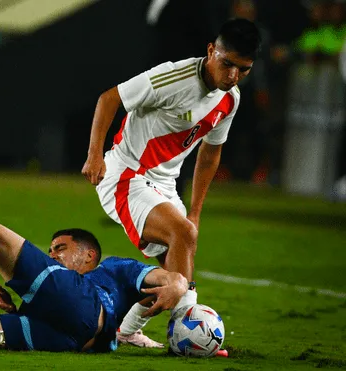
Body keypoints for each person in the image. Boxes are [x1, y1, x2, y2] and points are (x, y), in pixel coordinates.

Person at [81, 18, 261, 345]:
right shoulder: (173, 77)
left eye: (243, 69)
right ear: (211, 51)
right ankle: (186, 333)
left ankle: (128, 330)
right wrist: (94, 155)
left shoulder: (229, 99)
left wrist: (195, 210)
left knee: (172, 276)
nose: (233, 76)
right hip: (126, 175)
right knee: (182, 237)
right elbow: (109, 99)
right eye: (227, 64)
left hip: (163, 185)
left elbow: (210, 154)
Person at [0, 215, 192, 352]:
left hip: (84, 305)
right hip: (66, 340)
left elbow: (172, 278)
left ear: (89, 255)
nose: (51, 255)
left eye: (60, 248)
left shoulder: (114, 268)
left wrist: (178, 286)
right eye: (51, 250)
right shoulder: (52, 289)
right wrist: (14, 311)